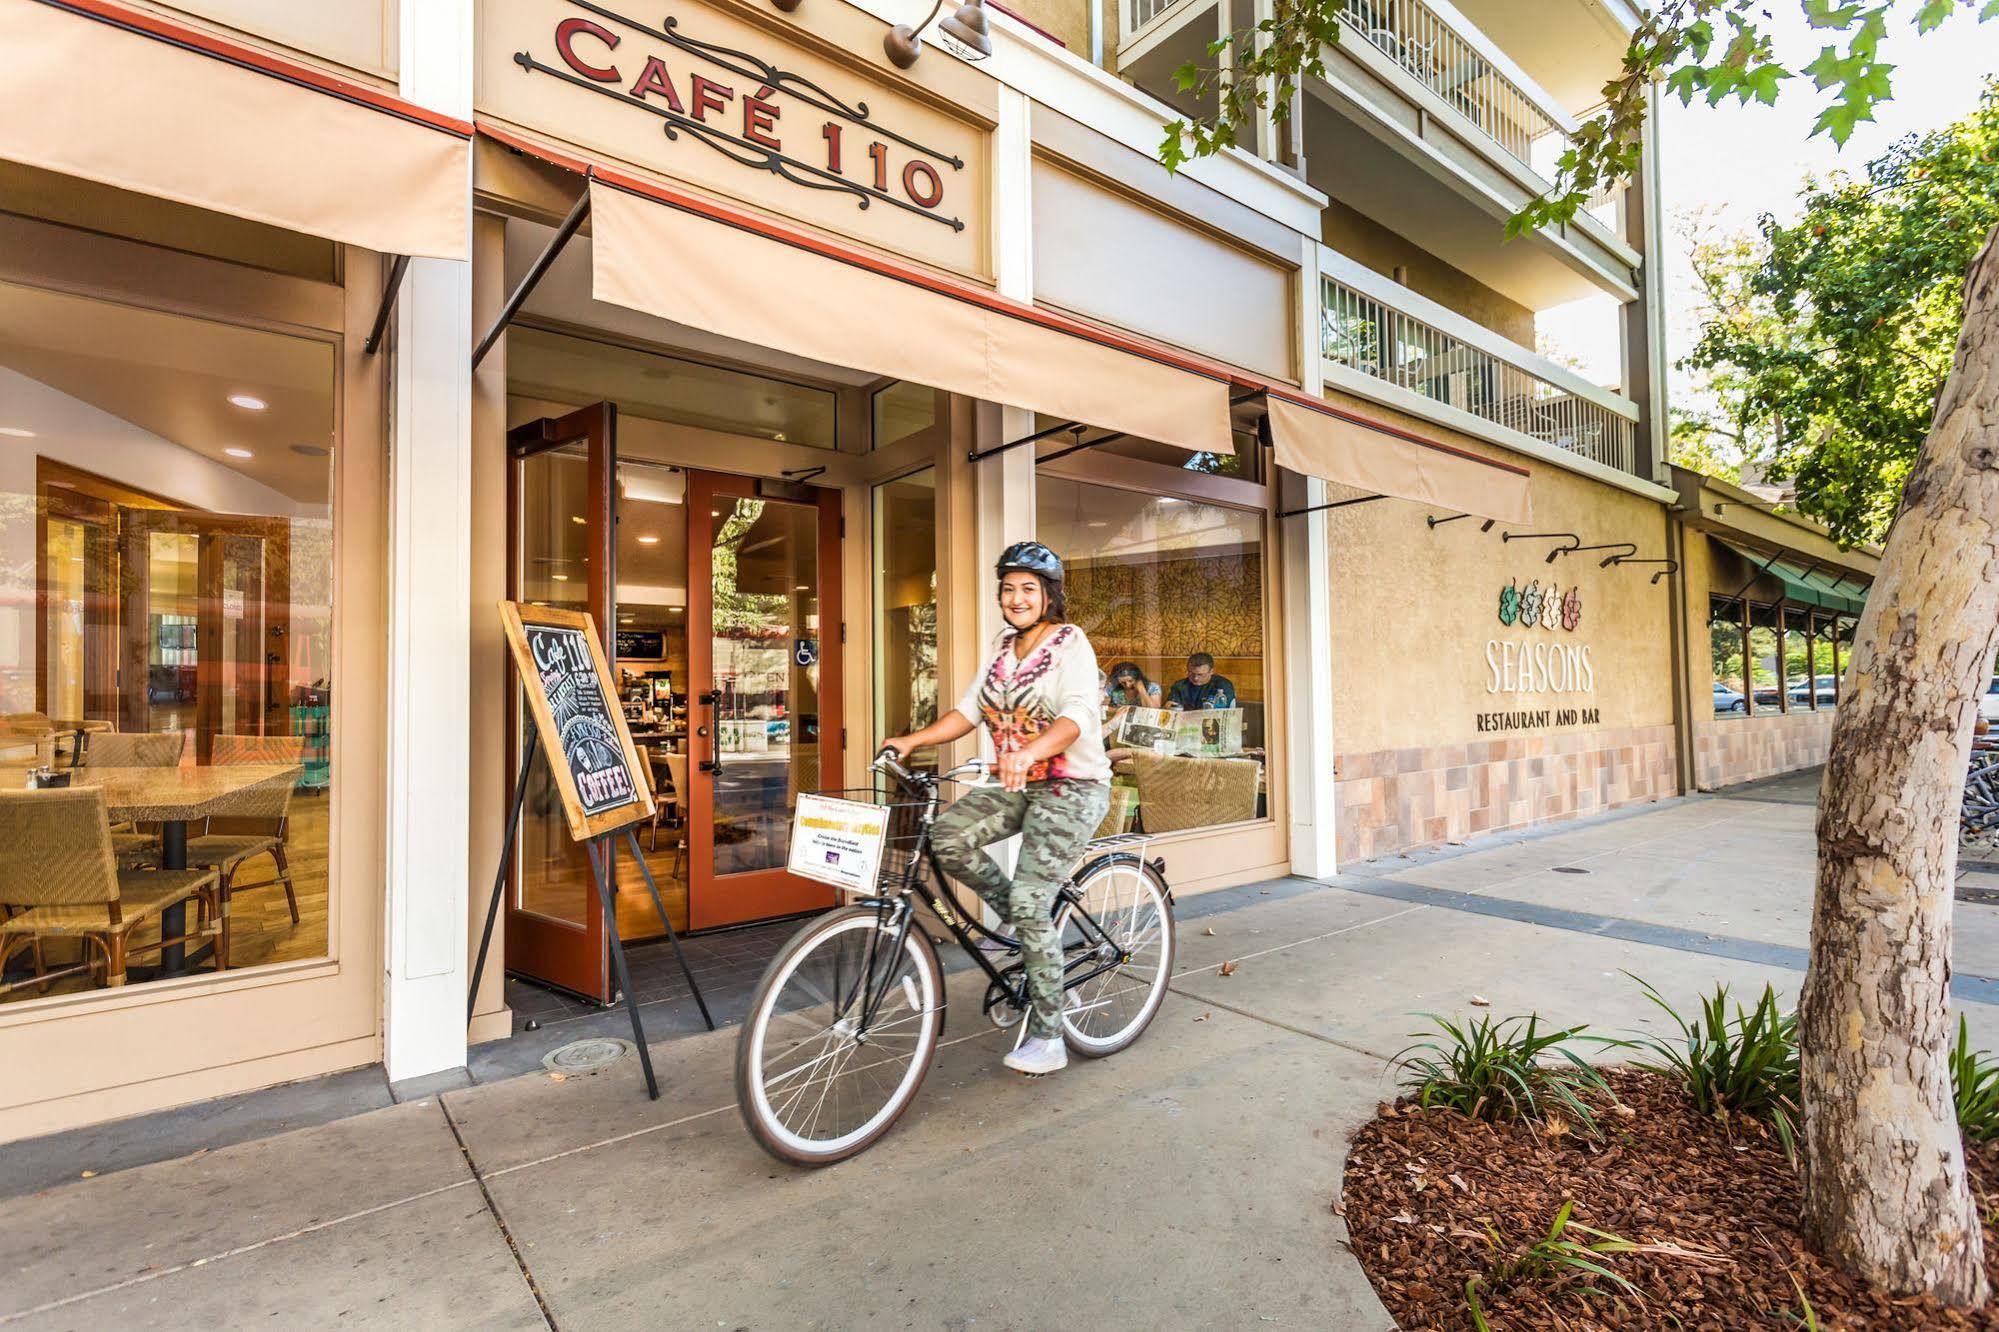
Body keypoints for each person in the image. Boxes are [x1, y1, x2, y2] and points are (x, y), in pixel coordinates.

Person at [884, 541, 1111, 1076]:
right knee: (946, 838)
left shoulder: (1070, 643)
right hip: (1016, 785)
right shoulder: (1002, 647)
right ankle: (1034, 939)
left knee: (1032, 902)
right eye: (1008, 588)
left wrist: (1030, 750)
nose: (1016, 597)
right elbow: (968, 711)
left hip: (1070, 788)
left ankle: (1051, 1036)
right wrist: (913, 740)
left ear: (1049, 595)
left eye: (1028, 588)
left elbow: (1078, 713)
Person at [1166, 652, 1236, 711]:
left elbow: (1224, 709)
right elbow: (1171, 704)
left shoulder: (1223, 685)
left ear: (1211, 672)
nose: (1195, 678)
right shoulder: (1180, 685)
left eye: (1200, 675)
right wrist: (1170, 706)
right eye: (1191, 673)